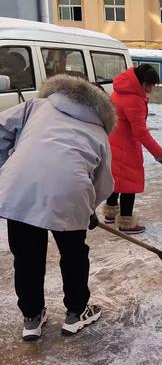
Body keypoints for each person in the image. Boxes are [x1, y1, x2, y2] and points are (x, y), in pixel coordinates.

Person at [0, 75, 115, 341]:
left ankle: (31, 318)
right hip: (70, 193)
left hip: (21, 186)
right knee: (74, 254)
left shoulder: (36, 107)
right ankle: (76, 312)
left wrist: (8, 165)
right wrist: (89, 210)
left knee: (27, 255)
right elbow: (104, 183)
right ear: (101, 107)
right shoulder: (99, 132)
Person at [103, 64, 162, 234]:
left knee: (116, 177)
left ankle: (110, 212)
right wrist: (159, 153)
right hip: (126, 144)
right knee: (129, 180)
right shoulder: (134, 100)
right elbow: (141, 132)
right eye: (151, 85)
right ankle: (126, 221)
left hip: (112, 140)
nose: (151, 89)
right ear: (143, 82)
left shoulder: (119, 91)